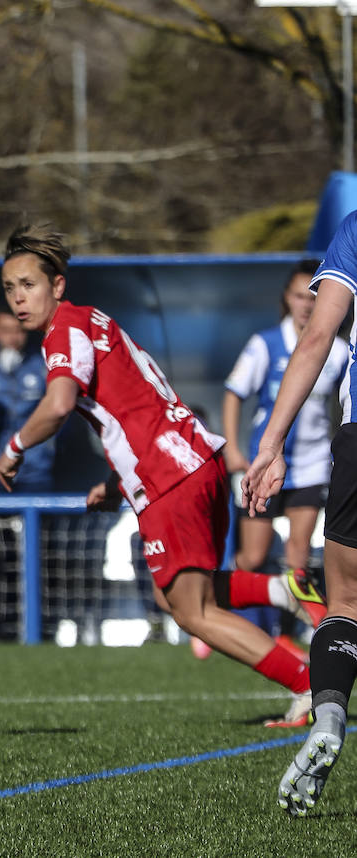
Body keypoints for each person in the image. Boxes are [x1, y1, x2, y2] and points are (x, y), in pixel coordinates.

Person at [0, 225, 318, 730]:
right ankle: (284, 592)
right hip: (194, 461)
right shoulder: (94, 321)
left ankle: (307, 685)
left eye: (28, 284)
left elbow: (58, 406)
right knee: (181, 595)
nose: (18, 297)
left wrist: (14, 447)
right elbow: (135, 404)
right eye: (10, 288)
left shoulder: (65, 330)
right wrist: (115, 478)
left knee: (193, 612)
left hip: (170, 479)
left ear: (58, 285)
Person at [244, 220, 357, 815]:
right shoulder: (259, 342)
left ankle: (330, 714)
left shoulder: (356, 229)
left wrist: (270, 444)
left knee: (346, 604)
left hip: (355, 443)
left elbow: (317, 337)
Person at [222, 259, 341, 605]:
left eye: (313, 297)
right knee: (254, 557)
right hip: (265, 463)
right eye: (299, 296)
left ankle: (292, 637)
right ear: (287, 299)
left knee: (297, 557)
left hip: (311, 465)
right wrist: (232, 447)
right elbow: (234, 393)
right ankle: (219, 613)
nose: (306, 305)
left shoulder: (336, 350)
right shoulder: (265, 343)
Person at [0, 308, 55, 494]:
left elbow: (59, 415)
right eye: (6, 330)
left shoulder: (43, 369)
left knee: (38, 522)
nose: (13, 337)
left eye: (19, 330)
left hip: (35, 471)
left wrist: (48, 449)